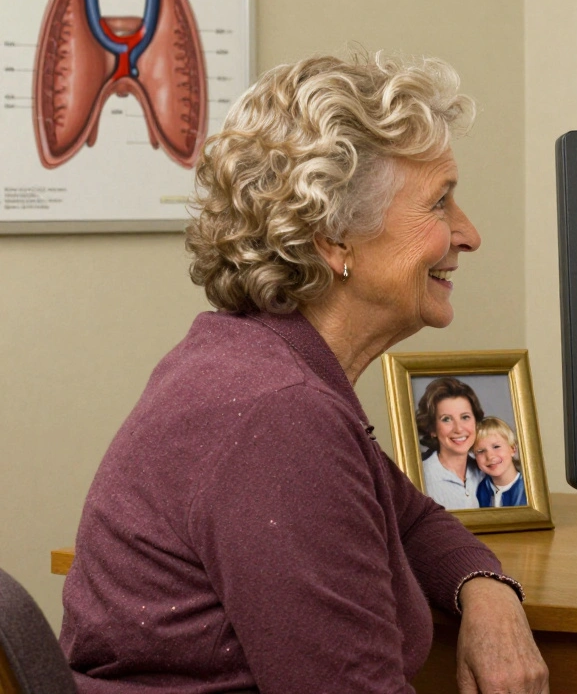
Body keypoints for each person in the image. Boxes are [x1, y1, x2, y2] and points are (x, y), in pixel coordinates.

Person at [60, 53, 549, 694]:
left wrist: (488, 594)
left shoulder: (251, 361)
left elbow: (412, 519)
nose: (469, 233)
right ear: (333, 239)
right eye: (439, 204)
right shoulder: (278, 415)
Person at [416, 377, 486, 509]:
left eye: (465, 417)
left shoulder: (487, 470)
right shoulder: (419, 476)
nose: (459, 429)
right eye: (446, 419)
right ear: (432, 429)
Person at [473, 417, 527, 508]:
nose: (490, 456)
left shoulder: (529, 490)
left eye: (496, 447)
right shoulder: (478, 490)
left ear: (513, 449)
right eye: (481, 451)